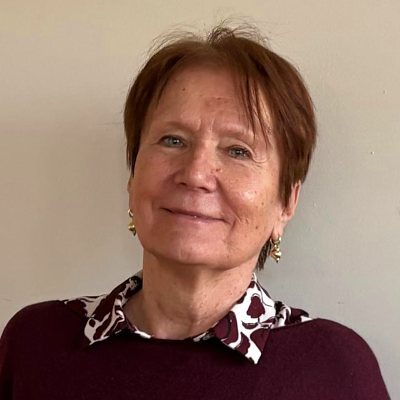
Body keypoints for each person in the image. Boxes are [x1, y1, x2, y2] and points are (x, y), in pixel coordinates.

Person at [0, 22, 389, 399]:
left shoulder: (333, 368)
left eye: (238, 150)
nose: (196, 174)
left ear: (286, 202)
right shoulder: (35, 343)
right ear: (133, 177)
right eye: (172, 140)